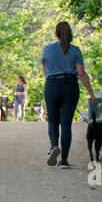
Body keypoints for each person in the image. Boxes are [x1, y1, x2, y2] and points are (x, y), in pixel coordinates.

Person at [41, 22, 96, 168]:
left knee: (52, 121)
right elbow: (81, 73)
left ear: (56, 33)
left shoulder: (47, 50)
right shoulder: (75, 51)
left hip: (52, 85)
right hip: (70, 86)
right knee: (66, 124)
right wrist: (91, 93)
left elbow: (45, 72)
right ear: (70, 34)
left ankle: (54, 147)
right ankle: (64, 160)